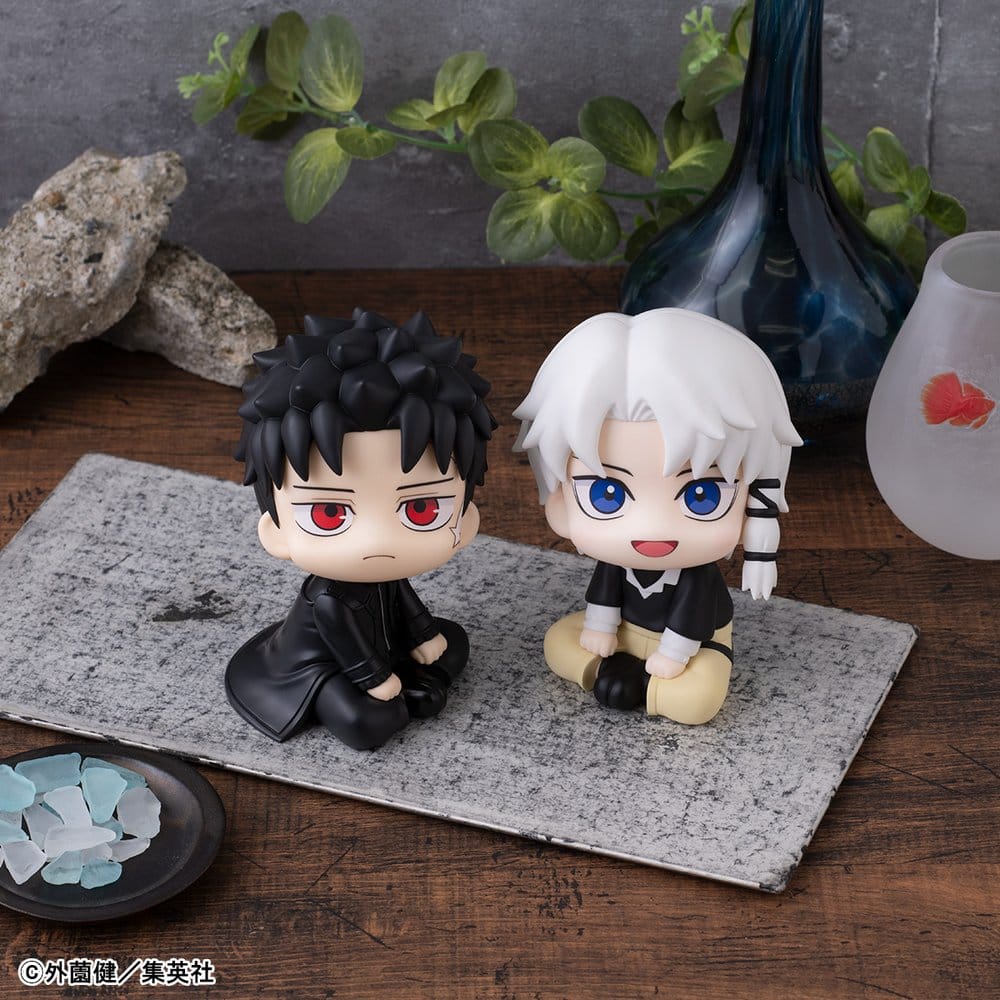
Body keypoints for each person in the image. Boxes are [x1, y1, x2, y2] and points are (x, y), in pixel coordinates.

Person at [514, 308, 800, 724]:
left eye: (702, 495)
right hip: (623, 634)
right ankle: (627, 677)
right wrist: (600, 628)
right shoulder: (616, 561)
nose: (651, 527)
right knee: (559, 641)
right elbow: (604, 594)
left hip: (694, 646)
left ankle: (639, 684)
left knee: (697, 699)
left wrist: (673, 655)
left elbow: (693, 616)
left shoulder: (696, 576)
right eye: (606, 495)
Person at [227, 308, 495, 749]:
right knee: (368, 721)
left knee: (453, 640)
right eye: (328, 514)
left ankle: (415, 686)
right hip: (321, 669)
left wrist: (425, 635)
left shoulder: (387, 574)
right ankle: (406, 692)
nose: (376, 540)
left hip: (384, 646)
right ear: (276, 530)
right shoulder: (329, 598)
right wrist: (377, 680)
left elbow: (404, 601)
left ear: (464, 521)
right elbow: (348, 646)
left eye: (422, 508)